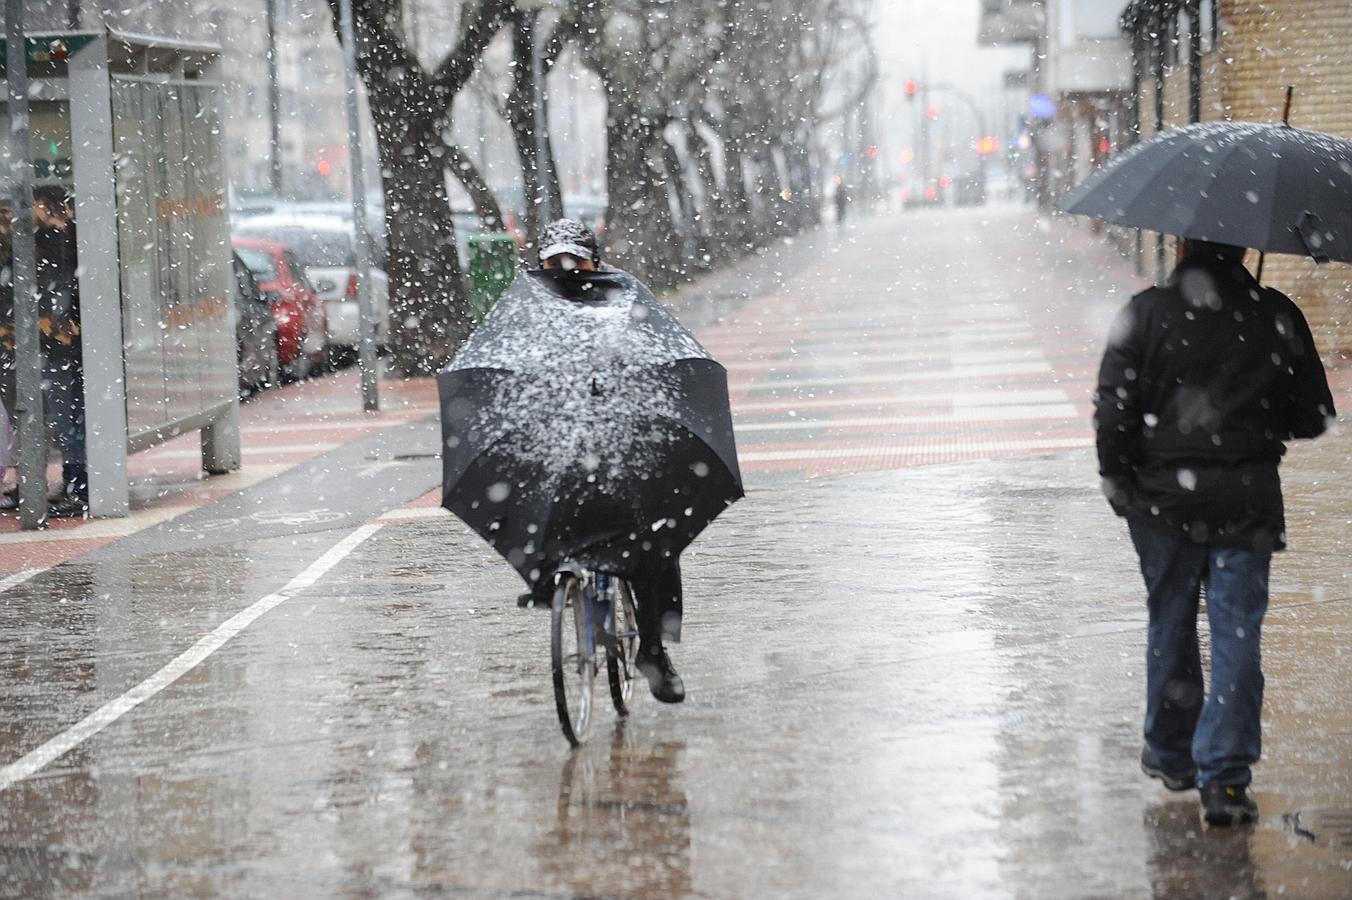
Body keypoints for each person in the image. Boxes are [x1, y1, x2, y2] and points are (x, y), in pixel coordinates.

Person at [1094, 239, 1334, 827]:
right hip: (1246, 499)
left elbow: (1113, 411)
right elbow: (1313, 417)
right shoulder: (1274, 312)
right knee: (1236, 631)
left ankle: (1174, 754)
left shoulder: (1145, 313)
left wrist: (1121, 483)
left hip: (1162, 500)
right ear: (1245, 245)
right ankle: (1224, 782)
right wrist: (1256, 410)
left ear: (1180, 244)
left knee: (1171, 619)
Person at [518, 218, 687, 704]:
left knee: (656, 545)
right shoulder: (526, 307)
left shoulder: (625, 299)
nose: (567, 272)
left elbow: (656, 364)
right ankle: (550, 585)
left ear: (595, 260)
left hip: (621, 444)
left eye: (577, 261)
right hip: (560, 447)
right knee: (530, 511)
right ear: (542, 264)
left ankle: (652, 650)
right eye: (555, 263)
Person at [33, 186, 86, 518]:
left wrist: (60, 323)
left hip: (61, 345)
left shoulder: (55, 241)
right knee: (71, 418)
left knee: (68, 420)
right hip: (71, 346)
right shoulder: (74, 236)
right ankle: (75, 481)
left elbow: (58, 289)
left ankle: (79, 487)